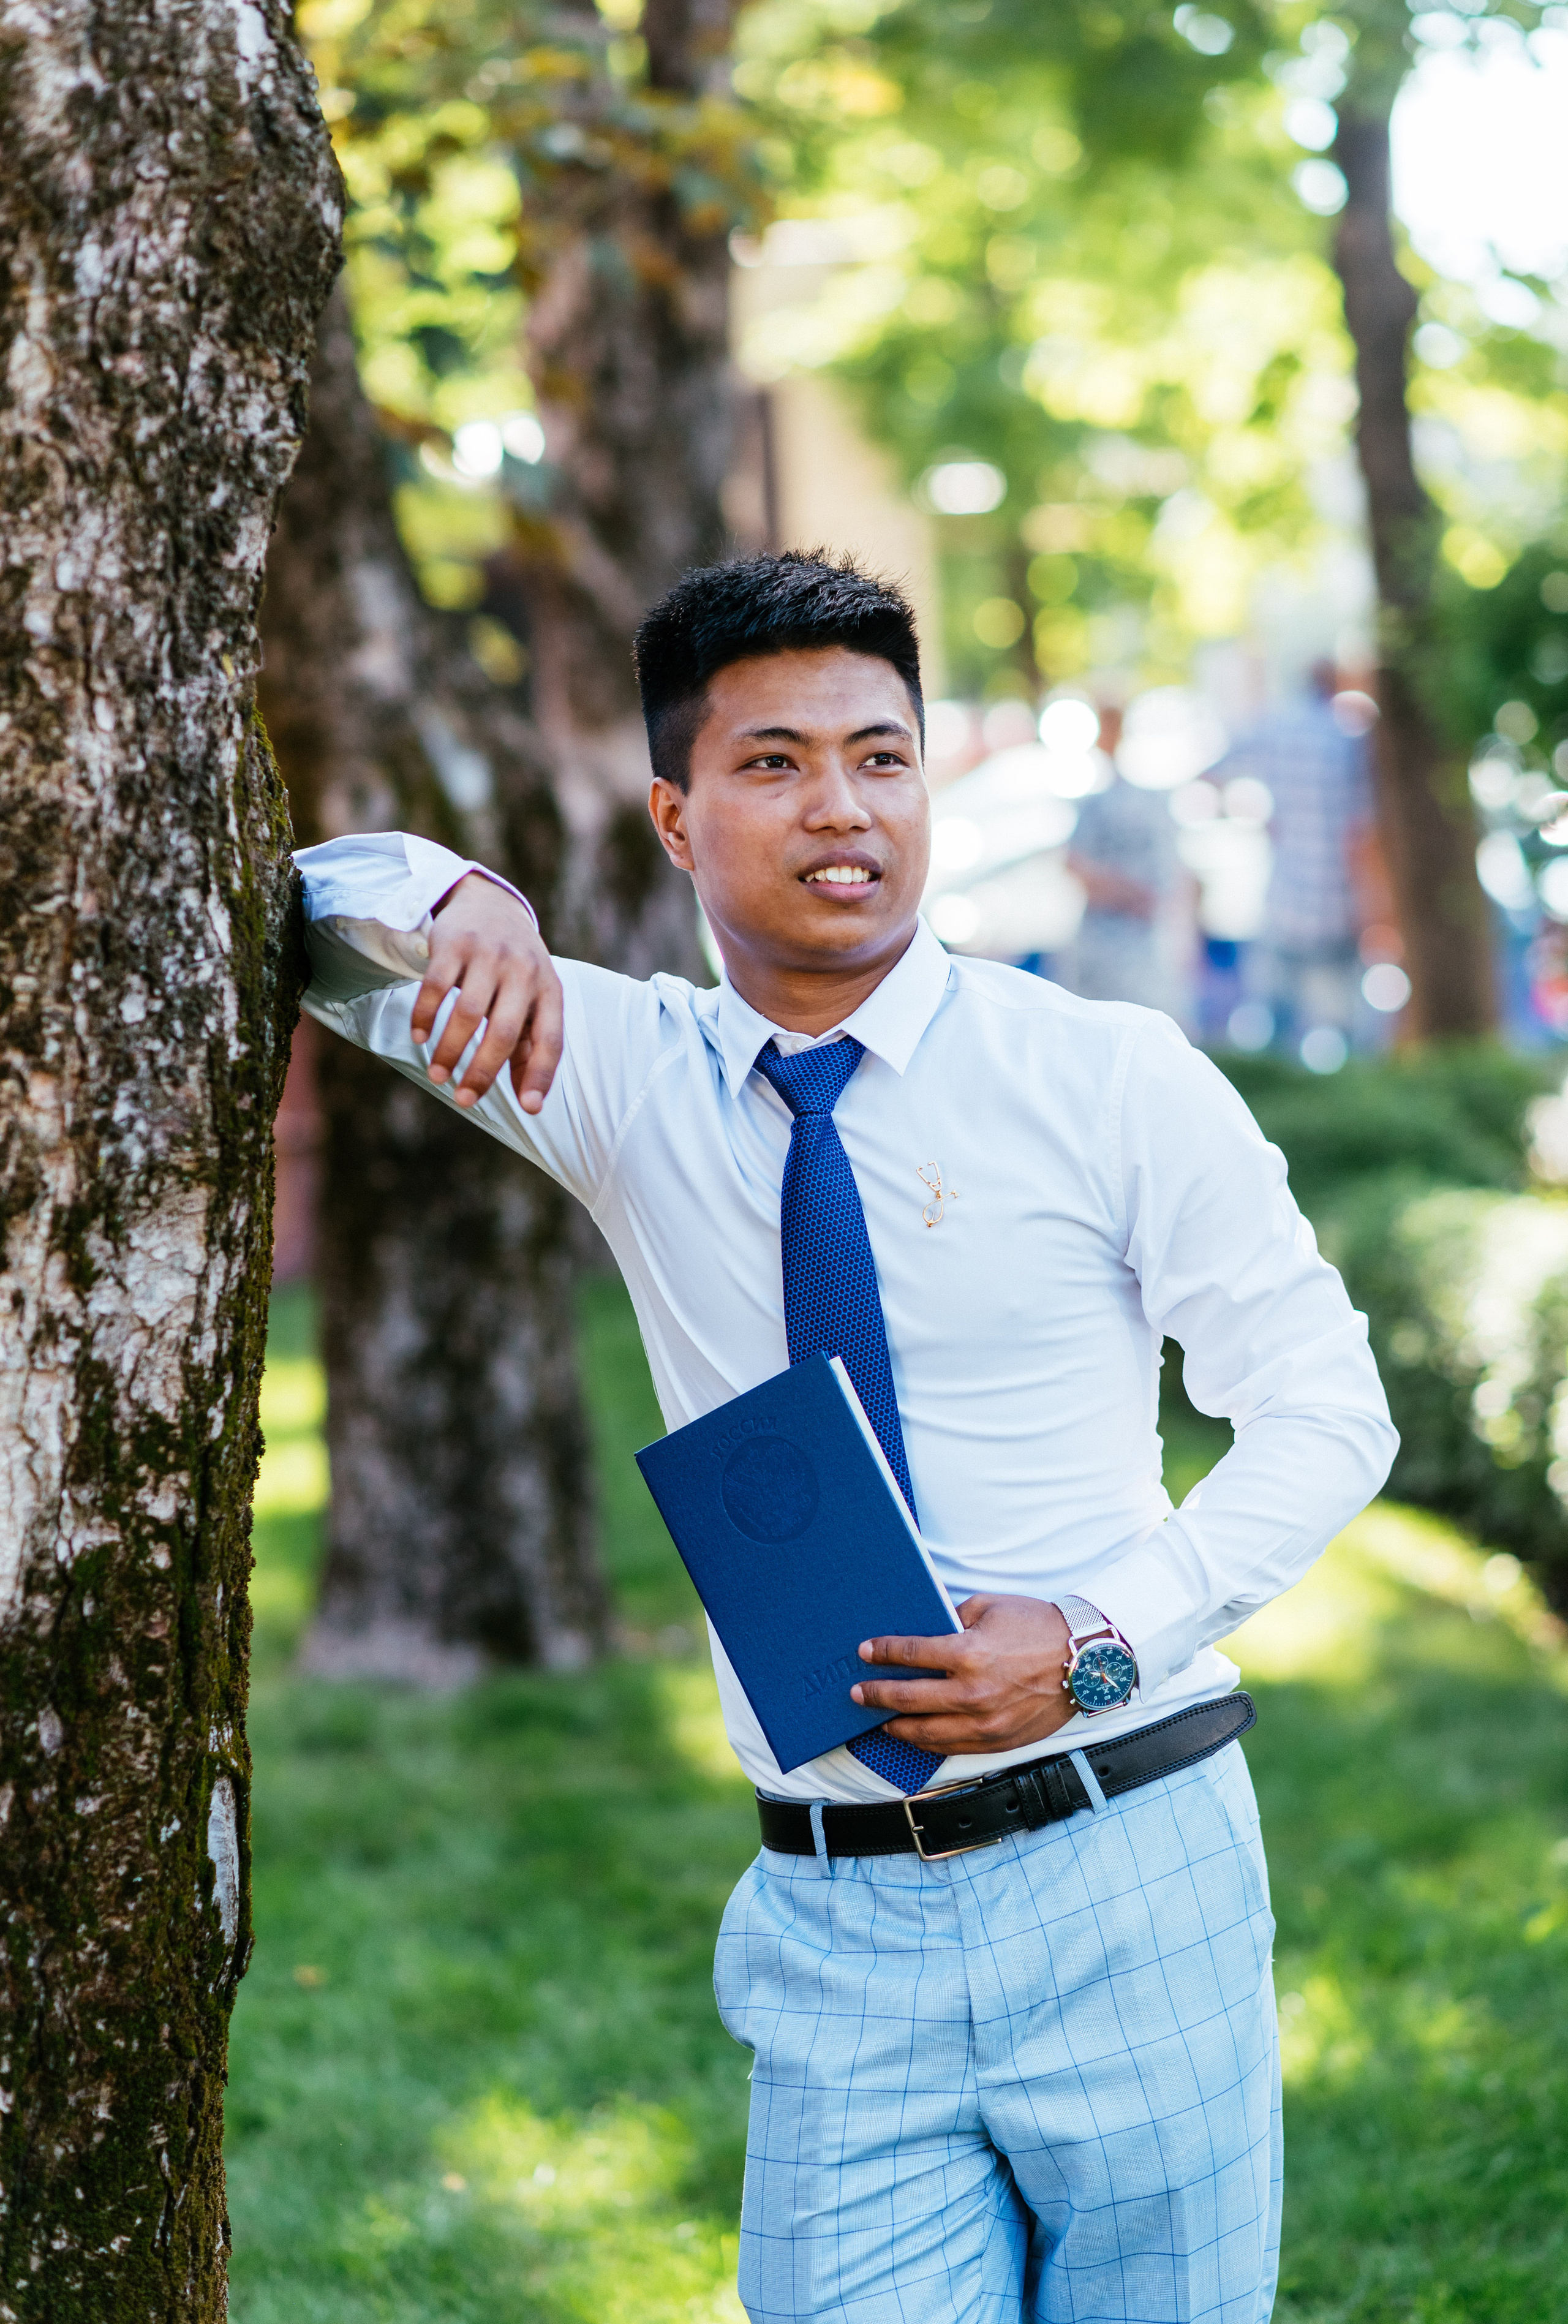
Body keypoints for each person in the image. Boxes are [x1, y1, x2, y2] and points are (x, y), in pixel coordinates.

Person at [296, 551, 1396, 2324]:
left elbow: (1329, 1406)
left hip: (1131, 1861)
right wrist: (462, 890)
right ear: (675, 816)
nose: (842, 807)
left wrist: (1098, 1635)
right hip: (833, 1918)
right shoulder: (620, 1077)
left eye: (881, 757)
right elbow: (306, 915)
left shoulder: (1106, 1073)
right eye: (775, 762)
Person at [1218, 663, 1379, 1055]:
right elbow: (1360, 836)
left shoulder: (1275, 730)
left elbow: (1213, 773)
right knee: (1342, 1034)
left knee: (1275, 1030)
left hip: (1284, 902)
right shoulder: (1349, 742)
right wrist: (1374, 909)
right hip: (1336, 905)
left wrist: (1258, 819)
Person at [1063, 704, 1192, 1024]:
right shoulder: (1098, 800)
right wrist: (1133, 894)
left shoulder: (1144, 796)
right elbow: (1077, 868)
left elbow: (1177, 874)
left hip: (1141, 942)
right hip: (1111, 942)